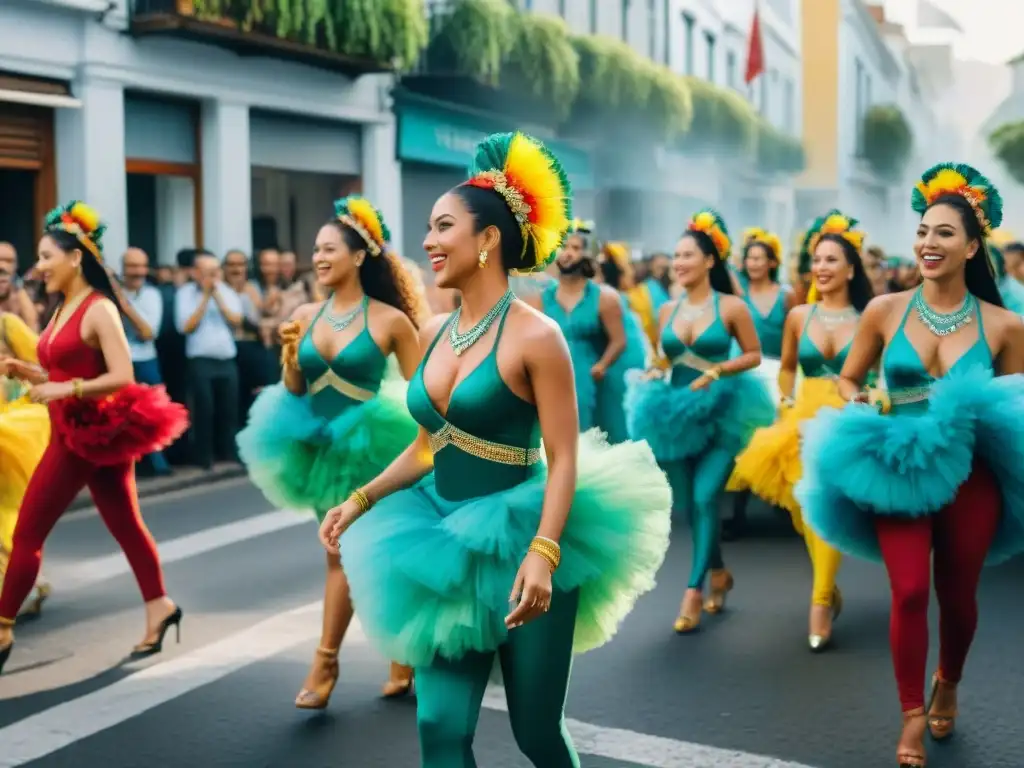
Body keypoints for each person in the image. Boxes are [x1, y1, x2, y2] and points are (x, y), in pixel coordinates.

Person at [320, 131, 671, 767]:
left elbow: (564, 457)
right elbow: (427, 447)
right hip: (438, 544)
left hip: (524, 541)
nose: (428, 241)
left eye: (443, 226)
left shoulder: (539, 337)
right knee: (440, 727)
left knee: (536, 733)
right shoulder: (432, 330)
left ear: (487, 239)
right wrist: (360, 500)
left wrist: (544, 551)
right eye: (428, 227)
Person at [796, 163, 1024, 768]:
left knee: (959, 597)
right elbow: (848, 377)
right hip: (898, 465)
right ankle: (911, 715)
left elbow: (1017, 404)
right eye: (923, 231)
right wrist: (861, 398)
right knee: (910, 590)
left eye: (944, 233)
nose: (929, 242)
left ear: (971, 247)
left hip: (972, 475)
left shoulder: (1005, 326)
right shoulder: (885, 310)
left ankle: (948, 679)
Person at [237, 196, 424, 706]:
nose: (318, 258)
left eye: (328, 249)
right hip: (320, 451)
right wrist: (289, 357)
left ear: (358, 256)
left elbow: (421, 391)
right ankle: (369, 655)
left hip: (378, 449)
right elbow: (295, 389)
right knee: (340, 552)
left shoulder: (391, 320)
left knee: (373, 553)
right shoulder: (304, 314)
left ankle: (339, 659)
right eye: (315, 250)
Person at [0, 201, 188, 675]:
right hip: (73, 430)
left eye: (46, 256)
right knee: (126, 525)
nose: (39, 266)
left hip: (89, 434)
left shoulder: (99, 308)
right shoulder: (62, 308)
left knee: (27, 533)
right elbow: (63, 369)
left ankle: (1, 627)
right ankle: (160, 607)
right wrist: (28, 370)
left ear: (75, 257)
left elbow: (122, 375)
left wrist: (64, 389)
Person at [728, 211, 874, 650]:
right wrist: (786, 401)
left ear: (851, 269)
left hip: (845, 422)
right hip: (800, 419)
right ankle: (830, 590)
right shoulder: (799, 316)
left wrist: (869, 400)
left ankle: (820, 601)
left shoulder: (870, 318)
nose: (822, 268)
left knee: (829, 508)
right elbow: (788, 368)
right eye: (817, 260)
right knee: (805, 511)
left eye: (832, 260)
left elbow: (875, 374)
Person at [624, 208, 774, 633]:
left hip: (724, 410)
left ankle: (693, 590)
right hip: (673, 413)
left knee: (708, 497)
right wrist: (654, 370)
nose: (679, 262)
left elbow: (753, 354)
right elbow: (664, 357)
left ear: (710, 260)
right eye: (676, 255)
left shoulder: (731, 307)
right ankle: (719, 572)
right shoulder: (667, 309)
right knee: (690, 505)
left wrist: (718, 370)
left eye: (687, 254)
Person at [530, 220, 627, 435]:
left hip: (589, 378)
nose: (567, 253)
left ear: (587, 254)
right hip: (552, 378)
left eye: (575, 248)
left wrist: (602, 364)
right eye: (563, 247)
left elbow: (619, 340)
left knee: (587, 436)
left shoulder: (605, 298)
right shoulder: (541, 299)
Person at [0, 311, 52, 616]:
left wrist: (18, 369)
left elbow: (51, 369)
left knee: (9, 515)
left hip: (15, 433)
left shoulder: (6, 324)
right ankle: (29, 583)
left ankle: (23, 586)